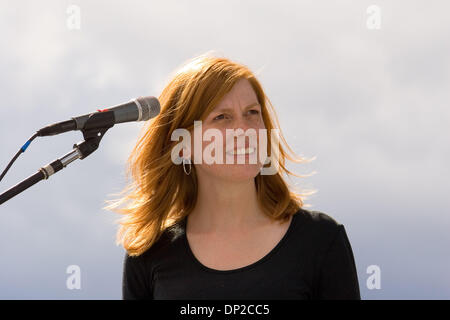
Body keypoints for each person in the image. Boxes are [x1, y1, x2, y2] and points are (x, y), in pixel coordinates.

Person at [103, 51, 361, 300]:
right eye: (222, 117)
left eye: (252, 113)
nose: (244, 130)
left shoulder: (320, 241)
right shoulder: (149, 254)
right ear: (182, 144)